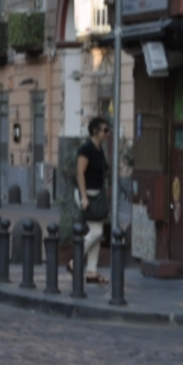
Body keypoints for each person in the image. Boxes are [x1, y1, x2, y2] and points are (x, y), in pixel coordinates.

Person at [75, 116, 111, 284]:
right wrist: (83, 197)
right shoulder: (86, 149)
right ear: (95, 132)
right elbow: (80, 173)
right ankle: (75, 260)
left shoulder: (99, 150)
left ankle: (92, 271)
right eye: (104, 130)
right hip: (87, 195)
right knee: (96, 232)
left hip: (97, 195)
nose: (107, 133)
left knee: (97, 233)